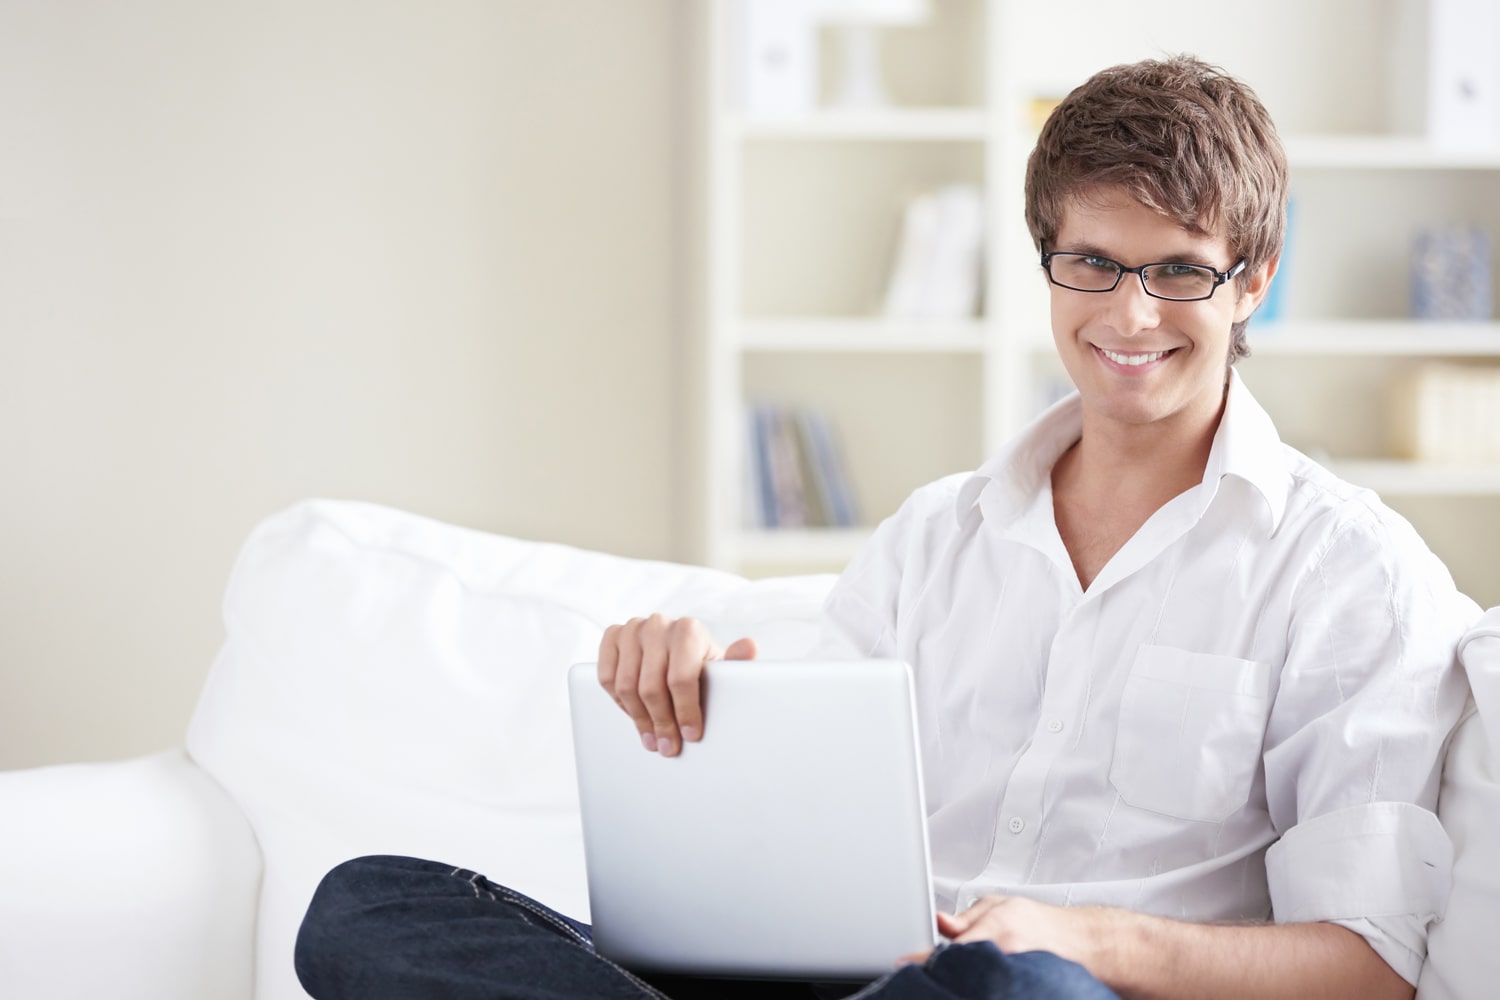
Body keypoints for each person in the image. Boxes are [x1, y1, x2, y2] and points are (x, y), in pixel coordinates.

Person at [294, 55, 1478, 1000]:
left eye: (1179, 271)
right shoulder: (935, 535)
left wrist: (1090, 937)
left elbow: (1368, 965)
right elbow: (801, 836)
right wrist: (698, 702)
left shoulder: (1348, 571)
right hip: (849, 979)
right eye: (1093, 263)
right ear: (1048, 261)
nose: (1129, 315)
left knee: (1014, 984)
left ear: (1253, 277)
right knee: (366, 906)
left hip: (1047, 991)